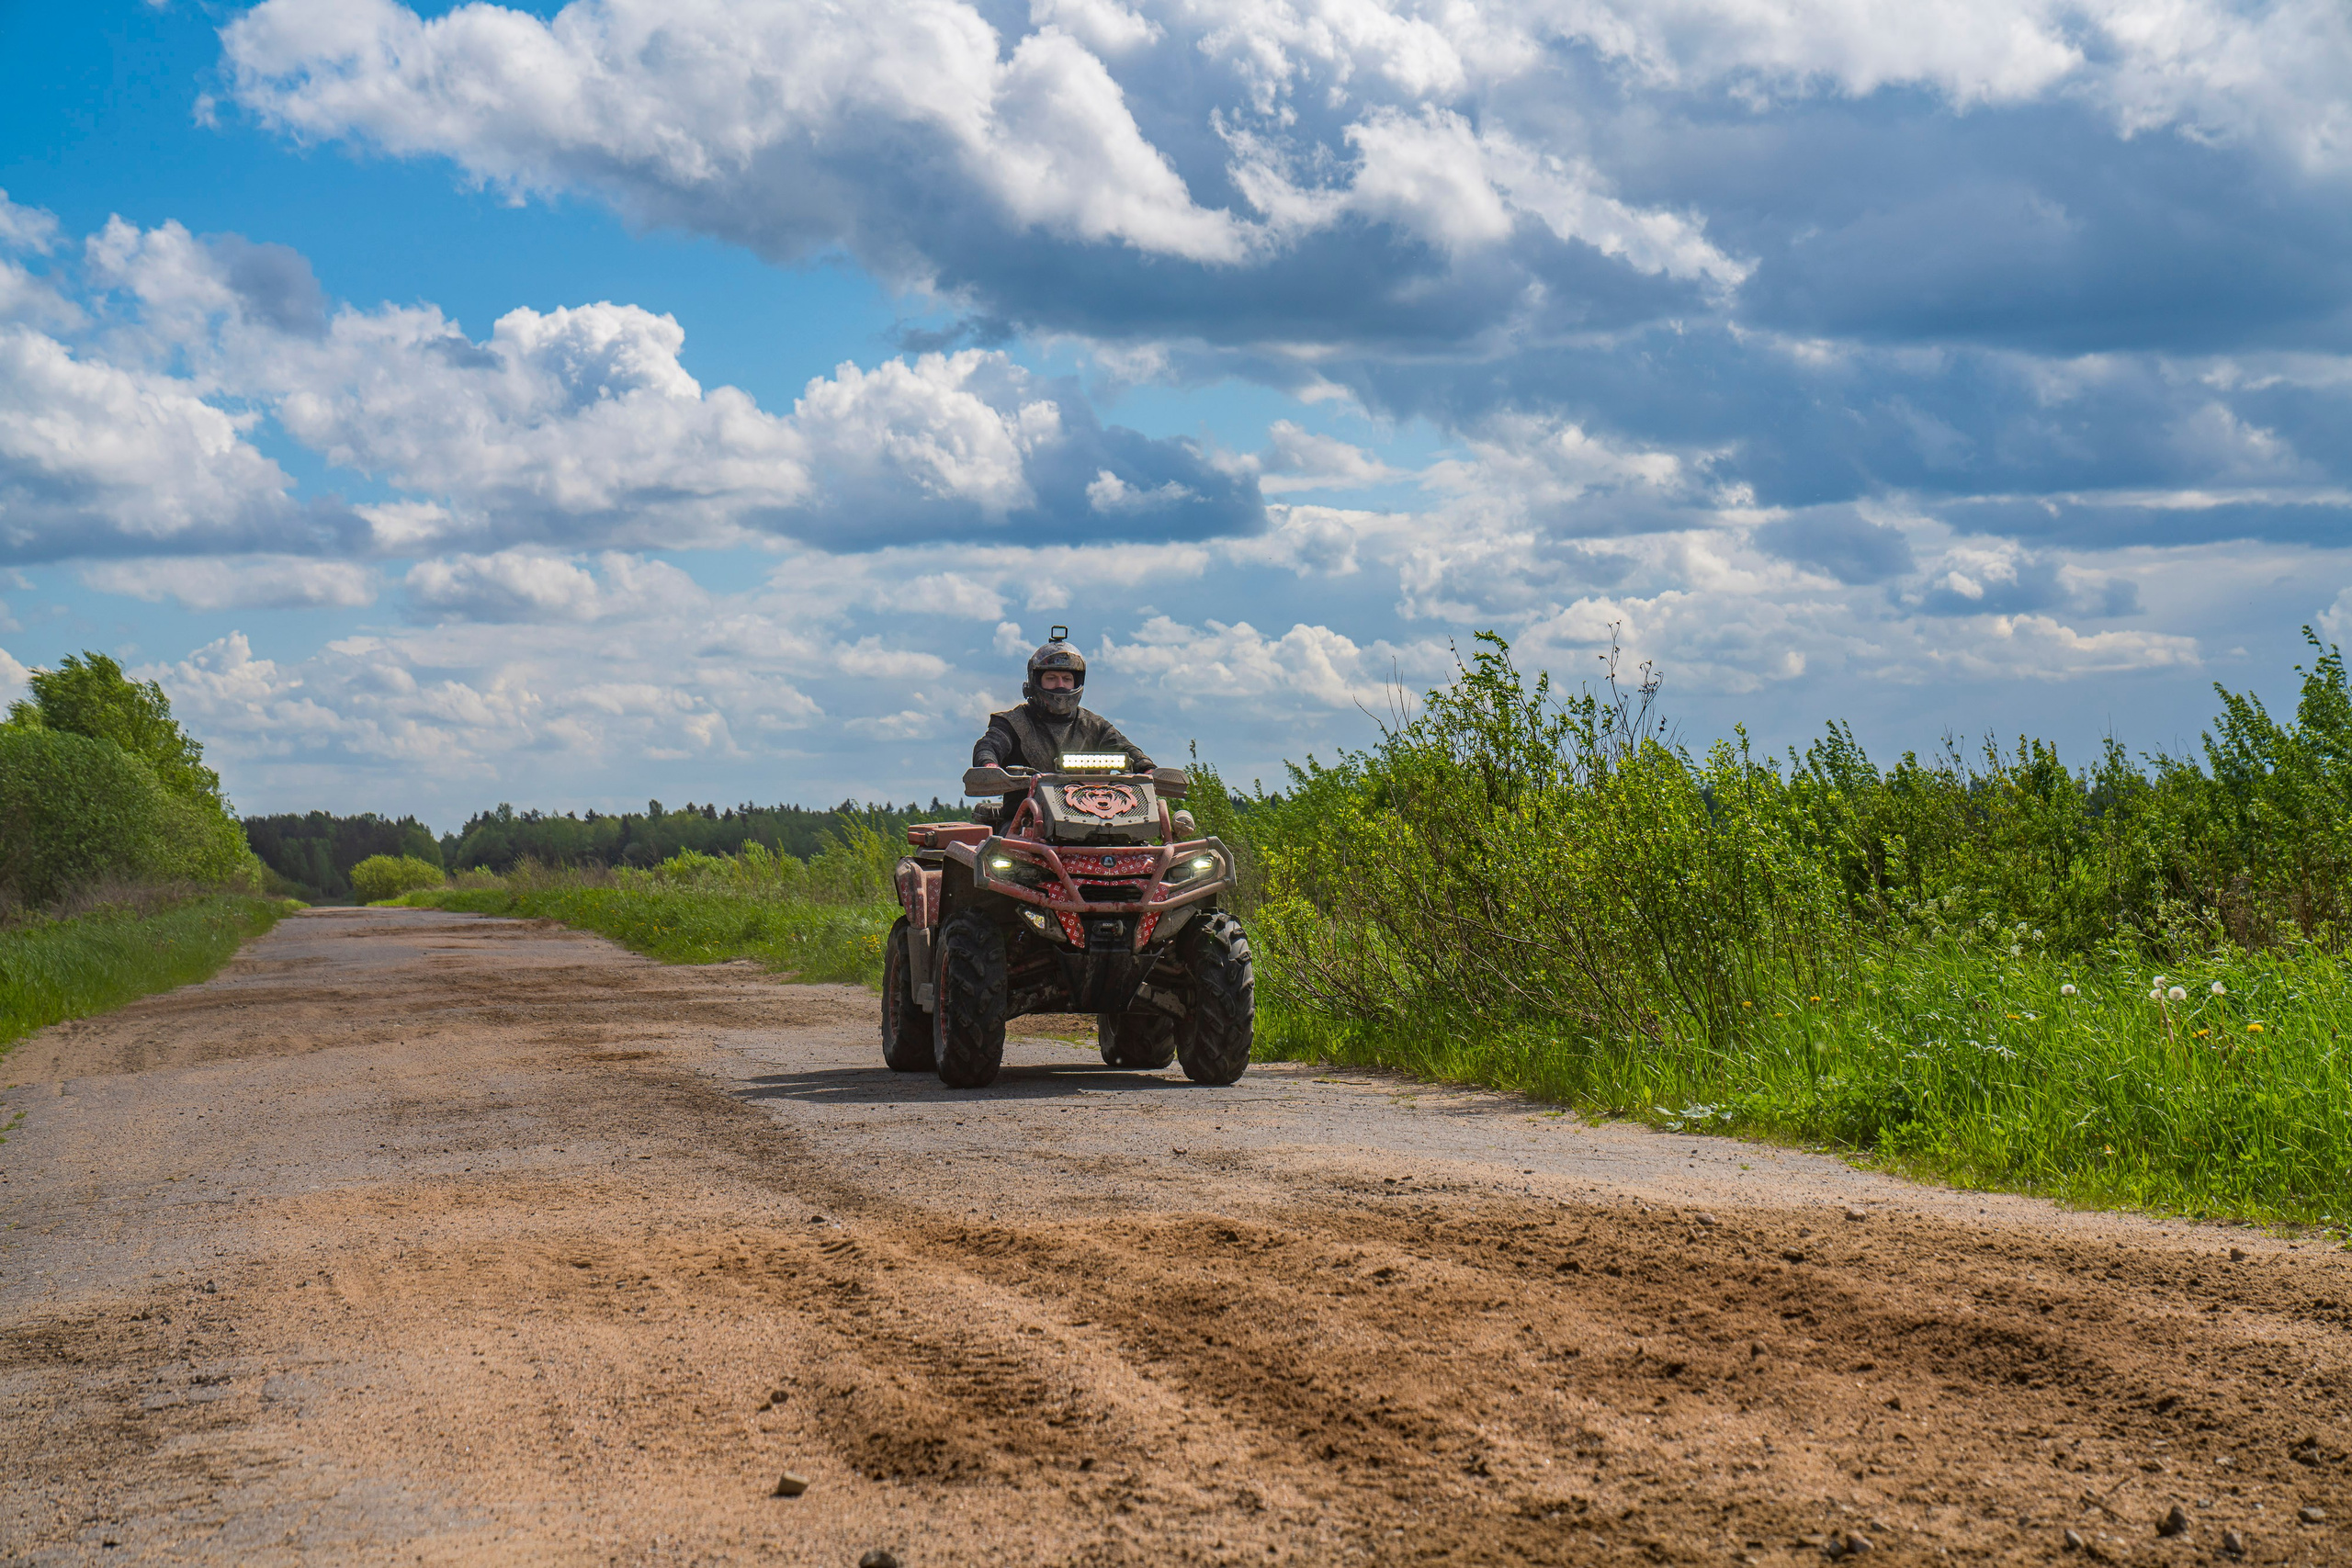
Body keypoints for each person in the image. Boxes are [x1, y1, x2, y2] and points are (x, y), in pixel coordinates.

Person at [972, 627, 1154, 775]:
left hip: (1094, 813)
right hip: (1025, 814)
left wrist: (1147, 768)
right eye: (1051, 678)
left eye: (1067, 679)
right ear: (1035, 681)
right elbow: (990, 745)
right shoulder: (1013, 723)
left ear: (1077, 683)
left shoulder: (1094, 726)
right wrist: (989, 765)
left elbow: (1124, 747)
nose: (1060, 686)